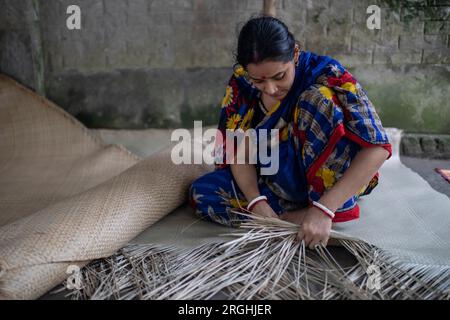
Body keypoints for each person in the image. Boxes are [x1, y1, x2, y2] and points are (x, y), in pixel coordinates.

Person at [188, 16, 392, 249]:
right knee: (202, 193)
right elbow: (237, 150)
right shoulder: (242, 82)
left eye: (280, 76)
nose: (271, 89)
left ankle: (322, 211)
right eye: (259, 81)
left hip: (325, 182)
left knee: (317, 99)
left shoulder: (327, 73)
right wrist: (256, 202)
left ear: (295, 54)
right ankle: (285, 216)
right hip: (278, 178)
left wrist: (324, 208)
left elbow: (378, 148)